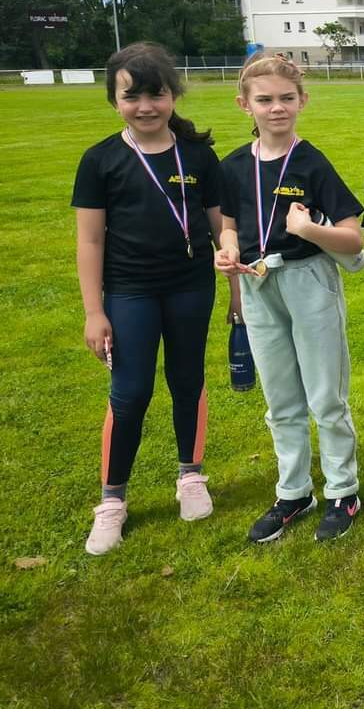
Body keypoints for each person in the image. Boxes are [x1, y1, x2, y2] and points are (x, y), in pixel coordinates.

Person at [73, 43, 222, 555]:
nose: (145, 107)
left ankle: (191, 476)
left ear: (173, 95)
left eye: (156, 94)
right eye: (131, 96)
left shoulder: (197, 155)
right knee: (131, 392)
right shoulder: (100, 160)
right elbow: (90, 241)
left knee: (187, 380)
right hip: (129, 292)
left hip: (191, 286)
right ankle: (112, 501)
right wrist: (95, 311)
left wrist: (236, 289)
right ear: (114, 100)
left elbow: (220, 226)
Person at [215, 54, 364, 543]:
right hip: (257, 284)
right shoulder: (233, 166)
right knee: (280, 398)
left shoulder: (312, 162)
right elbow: (230, 224)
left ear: (303, 100)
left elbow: (353, 239)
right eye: (264, 100)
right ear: (245, 105)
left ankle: (342, 490)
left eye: (286, 98)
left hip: (308, 280)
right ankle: (294, 492)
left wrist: (310, 229)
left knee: (325, 395)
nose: (276, 108)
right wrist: (228, 249)